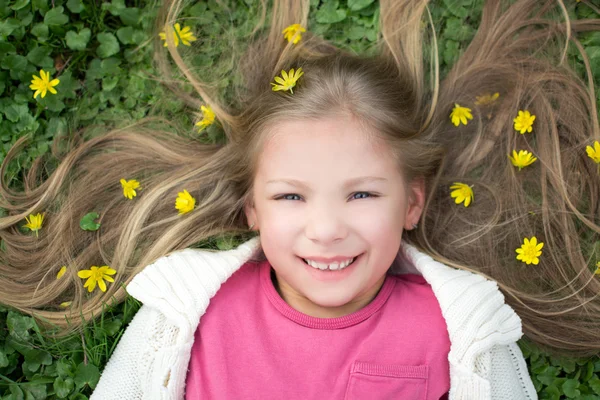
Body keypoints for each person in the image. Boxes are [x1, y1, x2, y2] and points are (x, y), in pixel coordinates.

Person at [0, 0, 598, 399]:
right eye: (291, 197)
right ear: (252, 210)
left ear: (412, 203)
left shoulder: (454, 327)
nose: (327, 229)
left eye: (361, 193)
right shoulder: (191, 312)